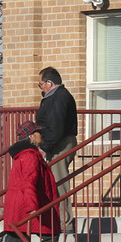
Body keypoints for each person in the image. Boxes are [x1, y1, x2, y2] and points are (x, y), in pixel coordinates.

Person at [2, 124, 62, 242]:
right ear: (31, 136)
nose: (41, 135)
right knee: (51, 234)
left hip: (18, 205)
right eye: (38, 132)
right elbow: (29, 181)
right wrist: (32, 207)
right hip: (28, 205)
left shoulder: (24, 155)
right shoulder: (30, 156)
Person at [35, 66, 79, 230]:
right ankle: (59, 220)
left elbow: (56, 126)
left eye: (41, 85)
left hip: (60, 144)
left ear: (49, 83)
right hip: (57, 143)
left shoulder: (59, 97)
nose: (41, 88)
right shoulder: (55, 97)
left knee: (59, 183)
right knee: (54, 183)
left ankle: (65, 223)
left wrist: (45, 146)